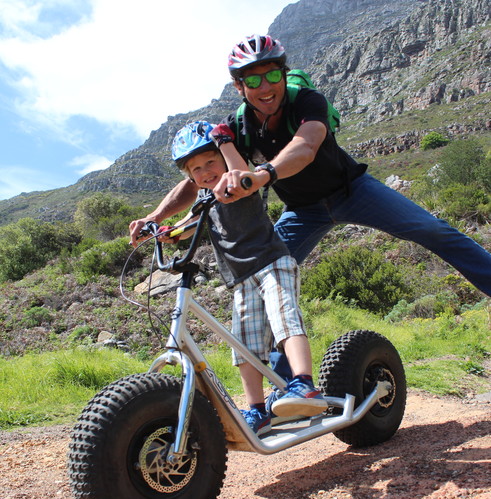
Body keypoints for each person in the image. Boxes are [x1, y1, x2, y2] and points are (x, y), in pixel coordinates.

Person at [130, 34, 491, 404]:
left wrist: (262, 175)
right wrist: (156, 216)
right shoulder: (236, 128)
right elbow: (198, 177)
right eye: (252, 81)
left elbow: (306, 145)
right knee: (264, 282)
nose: (264, 87)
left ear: (284, 75)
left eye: (271, 75)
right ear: (239, 87)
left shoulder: (306, 101)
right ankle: (288, 387)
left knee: (431, 229)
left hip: (353, 191)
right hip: (302, 212)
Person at [145, 120, 327, 435]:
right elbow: (184, 228)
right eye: (196, 169)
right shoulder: (203, 201)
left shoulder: (238, 182)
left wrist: (225, 142)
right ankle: (257, 410)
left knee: (284, 317)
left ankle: (303, 384)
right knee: (244, 345)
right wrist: (164, 232)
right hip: (241, 279)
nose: (205, 172)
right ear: (190, 177)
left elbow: (240, 172)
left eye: (210, 162)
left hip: (271, 262)